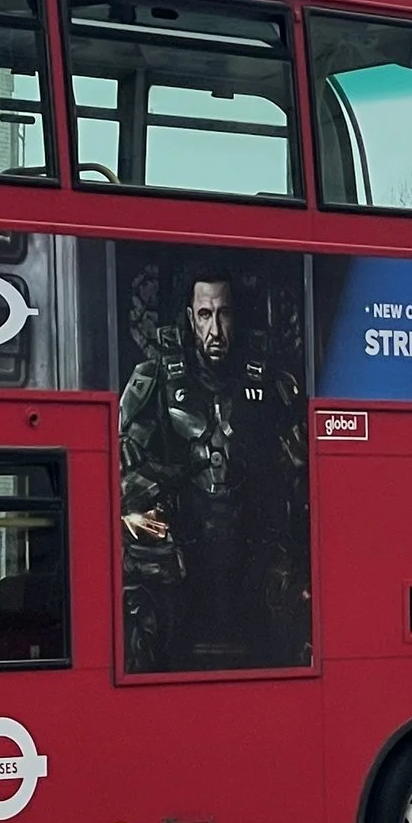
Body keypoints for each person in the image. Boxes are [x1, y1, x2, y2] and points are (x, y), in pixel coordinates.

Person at [119, 267, 310, 673]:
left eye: (223, 313)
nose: (215, 329)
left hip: (255, 565)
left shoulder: (274, 386)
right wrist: (158, 531)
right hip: (180, 562)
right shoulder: (153, 382)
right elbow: (122, 475)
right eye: (205, 315)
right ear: (190, 319)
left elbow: (304, 478)